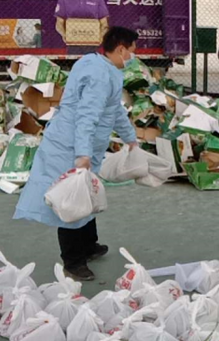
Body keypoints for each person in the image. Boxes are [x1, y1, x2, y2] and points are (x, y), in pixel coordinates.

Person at [13, 26, 140, 281]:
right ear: (121, 49)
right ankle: (73, 261)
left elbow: (114, 109)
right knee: (71, 202)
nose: (133, 57)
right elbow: (86, 116)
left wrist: (130, 139)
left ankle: (89, 245)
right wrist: (82, 154)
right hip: (70, 146)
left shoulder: (100, 66)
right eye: (132, 52)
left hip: (83, 144)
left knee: (87, 193)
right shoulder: (99, 75)